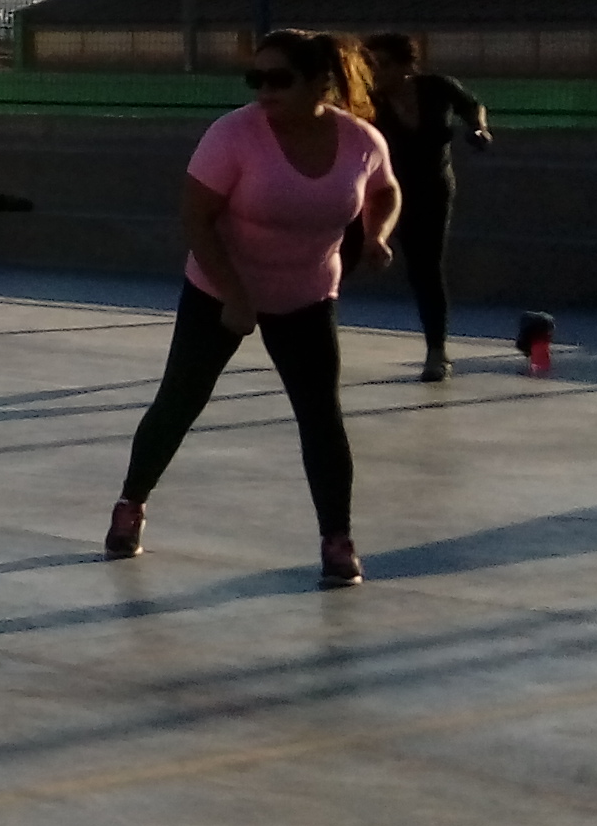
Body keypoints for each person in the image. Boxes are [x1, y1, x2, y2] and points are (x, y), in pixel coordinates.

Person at [104, 30, 402, 589]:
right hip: (219, 287)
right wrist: (236, 296)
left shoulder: (360, 140)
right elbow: (196, 219)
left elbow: (385, 191)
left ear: (320, 83)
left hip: (307, 294)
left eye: (279, 79)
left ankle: (337, 541)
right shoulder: (233, 135)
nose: (264, 91)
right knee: (180, 400)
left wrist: (377, 234)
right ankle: (130, 504)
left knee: (321, 417)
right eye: (255, 79)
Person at [361, 32, 491, 381]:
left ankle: (437, 351)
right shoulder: (369, 102)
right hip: (386, 190)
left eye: (383, 64)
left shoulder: (437, 87)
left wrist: (478, 128)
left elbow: (471, 105)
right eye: (370, 66)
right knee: (342, 256)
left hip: (432, 188)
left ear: (406, 65)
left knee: (426, 267)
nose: (375, 72)